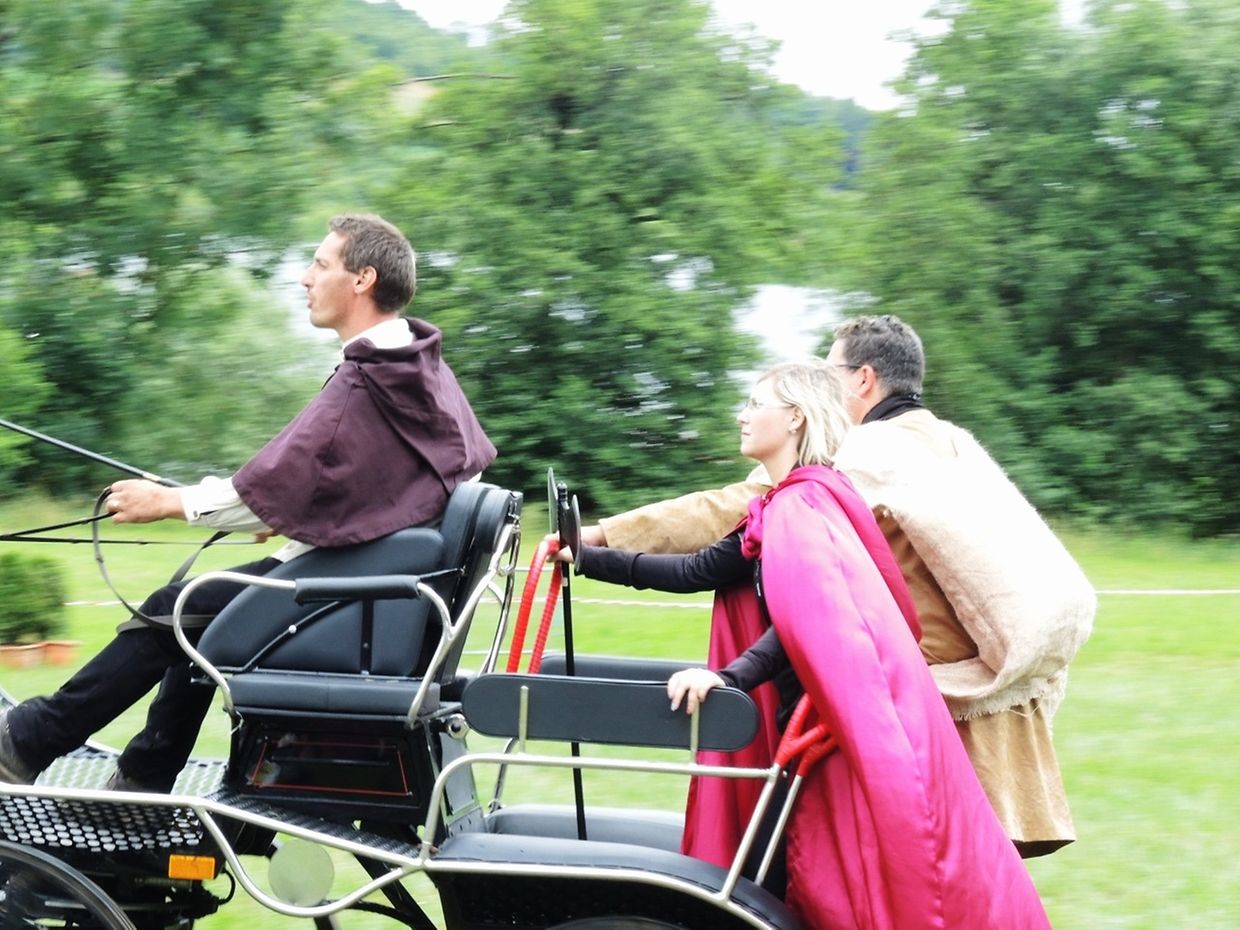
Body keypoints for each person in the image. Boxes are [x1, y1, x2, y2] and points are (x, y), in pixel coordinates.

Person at [0, 213, 497, 792]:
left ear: (362, 279)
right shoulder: (417, 365)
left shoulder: (368, 380)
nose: (306, 278)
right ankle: (143, 778)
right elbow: (381, 482)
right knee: (196, 611)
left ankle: (28, 742)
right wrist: (302, 519)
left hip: (350, 599)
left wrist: (170, 502)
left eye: (320, 265)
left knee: (174, 609)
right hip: (376, 591)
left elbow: (276, 489)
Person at [558, 361, 1051, 929]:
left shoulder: (808, 506)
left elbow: (807, 621)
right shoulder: (780, 506)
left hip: (834, 739)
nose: (742, 415)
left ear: (794, 417)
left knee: (821, 886)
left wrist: (729, 677)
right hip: (810, 735)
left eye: (756, 403)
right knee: (778, 877)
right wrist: (584, 557)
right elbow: (696, 570)